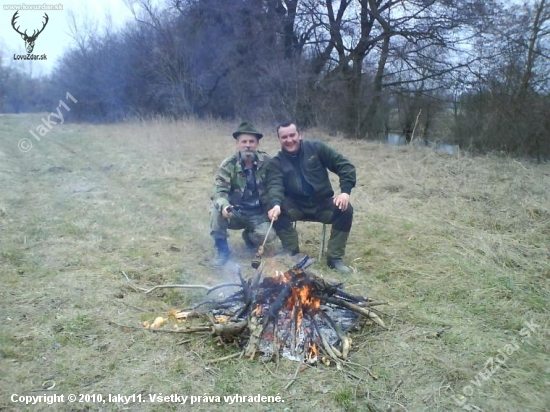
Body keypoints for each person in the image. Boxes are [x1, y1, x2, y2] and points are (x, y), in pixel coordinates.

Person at [266, 122, 356, 274]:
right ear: (279, 139)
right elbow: (275, 186)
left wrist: (345, 192)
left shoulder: (317, 148)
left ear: (299, 135)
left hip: (322, 204)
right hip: (295, 206)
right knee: (274, 210)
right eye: (284, 137)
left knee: (345, 210)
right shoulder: (276, 162)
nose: (289, 140)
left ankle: (335, 258)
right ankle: (291, 251)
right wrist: (275, 204)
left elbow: (345, 166)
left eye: (292, 135)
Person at [210, 121, 277, 267]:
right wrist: (224, 206)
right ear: (237, 144)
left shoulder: (267, 161)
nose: (248, 145)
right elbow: (219, 191)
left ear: (257, 143)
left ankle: (249, 236)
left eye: (251, 141)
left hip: (259, 214)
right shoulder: (229, 164)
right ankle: (222, 250)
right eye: (244, 141)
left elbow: (275, 185)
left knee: (269, 235)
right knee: (216, 211)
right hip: (236, 212)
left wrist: (274, 205)